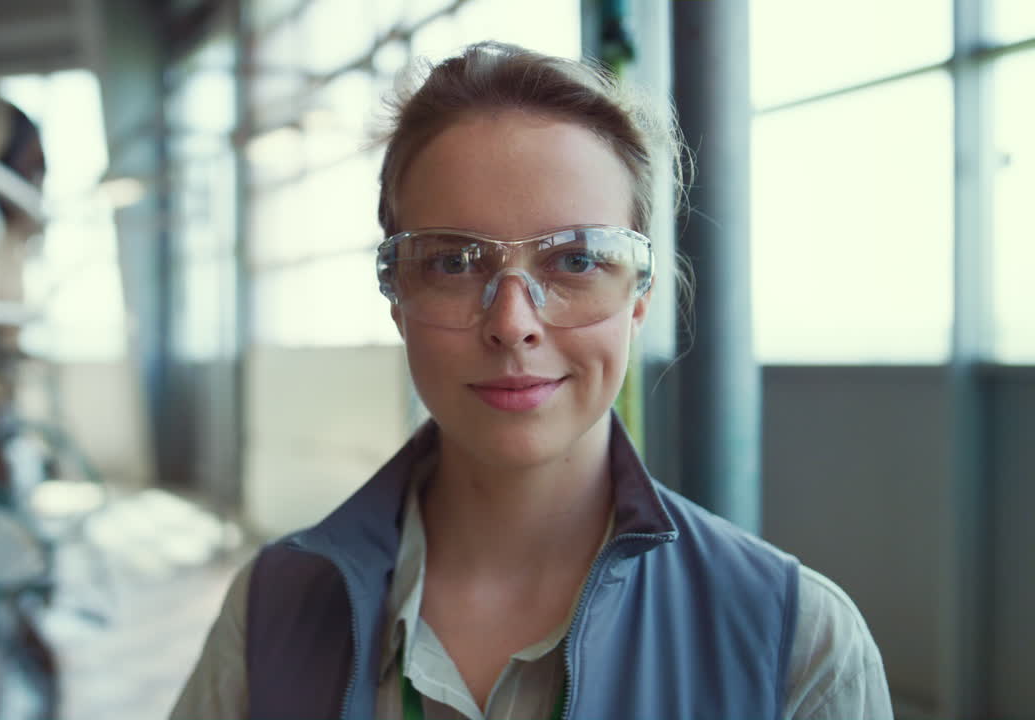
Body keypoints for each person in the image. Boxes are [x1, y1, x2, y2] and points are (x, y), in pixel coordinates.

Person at [169, 41, 893, 720]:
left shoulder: (797, 645)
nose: (512, 324)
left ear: (639, 297)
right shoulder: (271, 612)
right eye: (453, 262)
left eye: (576, 260)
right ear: (397, 298)